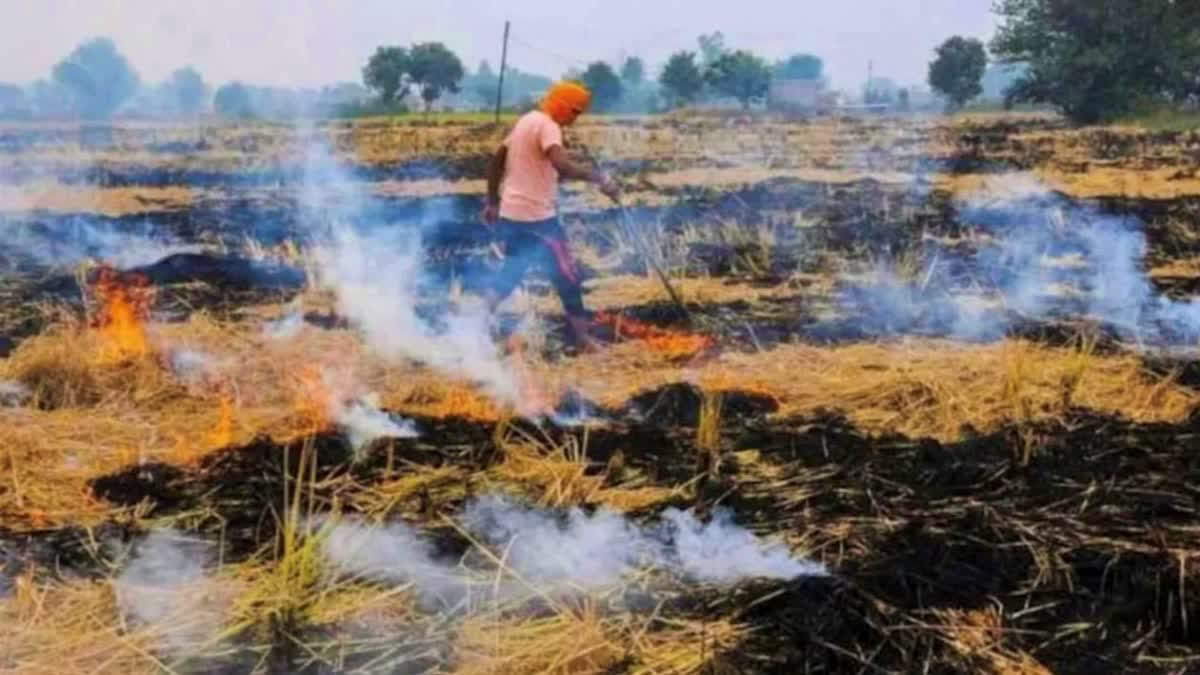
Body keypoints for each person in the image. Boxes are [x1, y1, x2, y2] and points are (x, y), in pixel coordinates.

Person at [481, 81, 620, 351]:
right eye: (574, 112)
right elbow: (561, 165)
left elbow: (498, 159)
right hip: (537, 219)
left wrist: (493, 201)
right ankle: (582, 339)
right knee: (567, 275)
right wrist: (599, 178)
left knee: (512, 270)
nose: (575, 119)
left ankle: (474, 321)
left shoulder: (527, 120)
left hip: (512, 213)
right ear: (561, 106)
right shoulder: (548, 126)